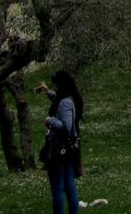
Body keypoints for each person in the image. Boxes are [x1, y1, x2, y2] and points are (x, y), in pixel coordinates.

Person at [36, 71, 83, 214]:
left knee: (58, 187)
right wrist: (48, 92)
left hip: (59, 149)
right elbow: (59, 101)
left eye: (56, 85)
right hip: (68, 149)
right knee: (69, 185)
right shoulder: (69, 98)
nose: (55, 88)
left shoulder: (65, 102)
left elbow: (66, 127)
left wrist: (50, 121)